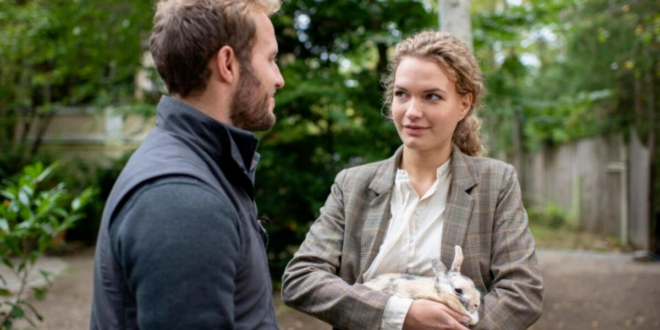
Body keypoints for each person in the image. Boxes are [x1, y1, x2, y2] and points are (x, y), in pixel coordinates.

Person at [281, 30, 543, 330]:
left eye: (432, 96)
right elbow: (302, 279)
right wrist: (399, 314)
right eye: (402, 94)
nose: (412, 112)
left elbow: (523, 291)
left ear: (464, 104)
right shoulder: (352, 184)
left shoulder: (496, 182)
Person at [90, 0, 285, 329]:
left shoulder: (205, 165)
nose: (278, 79)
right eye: (270, 59)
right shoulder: (180, 198)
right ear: (227, 63)